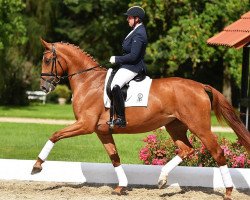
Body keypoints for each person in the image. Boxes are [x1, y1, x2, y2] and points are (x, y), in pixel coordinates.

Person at [109, 6, 148, 128]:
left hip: (134, 66)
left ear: (137, 19)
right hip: (128, 65)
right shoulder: (135, 30)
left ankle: (121, 118)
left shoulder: (140, 33)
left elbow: (133, 56)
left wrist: (117, 59)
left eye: (130, 17)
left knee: (115, 86)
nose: (127, 19)